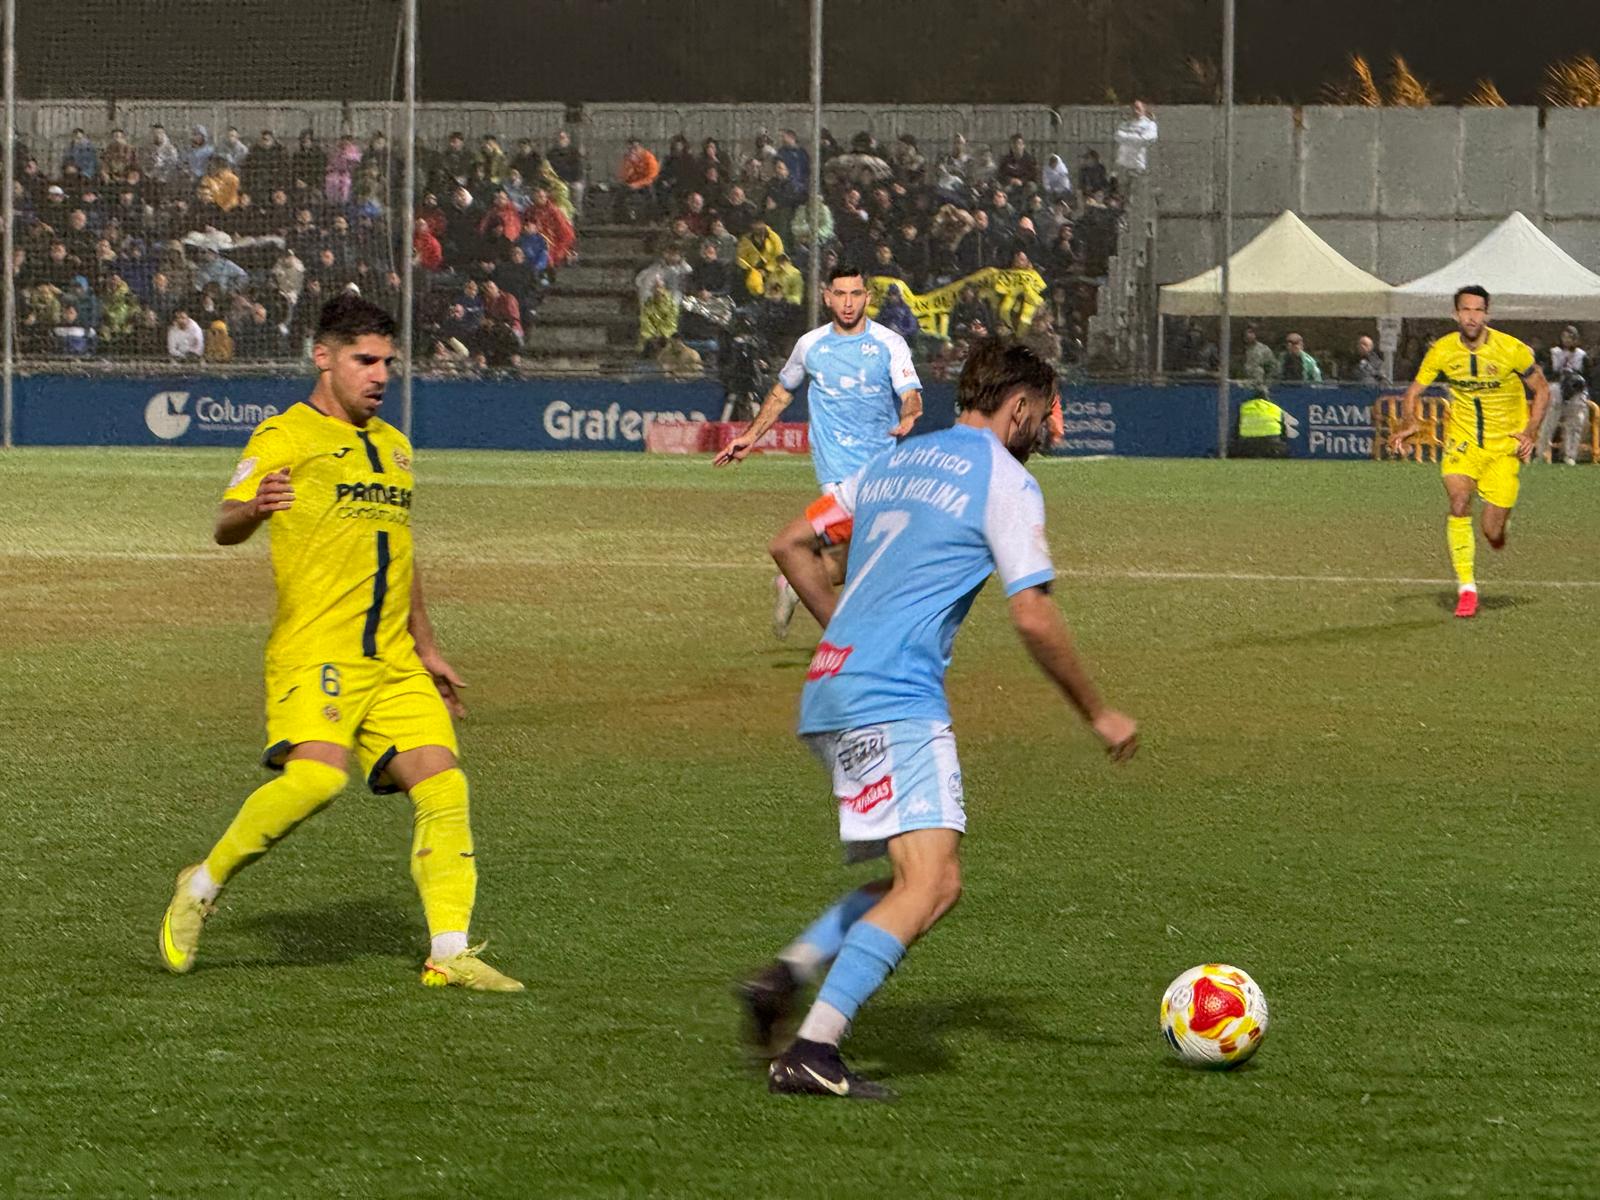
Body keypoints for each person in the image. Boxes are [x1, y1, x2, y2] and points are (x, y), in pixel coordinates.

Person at [741, 339, 1138, 1100]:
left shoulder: (892, 463)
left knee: (923, 878)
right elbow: (1033, 617)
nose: (1047, 430)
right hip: (893, 696)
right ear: (1017, 406)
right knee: (930, 882)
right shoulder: (1005, 481)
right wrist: (1098, 712)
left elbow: (789, 543)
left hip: (831, 690)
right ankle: (812, 1050)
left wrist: (845, 629)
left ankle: (786, 973)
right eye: (1044, 413)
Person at [157, 294, 522, 992]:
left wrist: (428, 645)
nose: (380, 374)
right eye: (365, 360)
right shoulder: (284, 434)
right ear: (323, 358)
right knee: (319, 779)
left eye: (388, 361)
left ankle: (449, 951)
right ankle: (201, 885)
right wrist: (254, 509)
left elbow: (401, 552)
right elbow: (225, 521)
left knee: (444, 785)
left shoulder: (395, 447)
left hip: (393, 662)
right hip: (315, 650)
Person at [713, 264, 924, 640]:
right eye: (839, 294)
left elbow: (910, 394)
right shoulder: (810, 345)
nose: (847, 302)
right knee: (871, 557)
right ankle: (860, 646)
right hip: (838, 469)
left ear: (867, 298)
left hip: (883, 465)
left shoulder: (890, 343)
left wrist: (910, 415)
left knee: (855, 558)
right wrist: (750, 436)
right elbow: (781, 393)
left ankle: (795, 583)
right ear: (827, 297)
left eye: (855, 294)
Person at [1386, 285, 1550, 619]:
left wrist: (1531, 431)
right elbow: (1414, 391)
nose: (1472, 316)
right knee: (1459, 502)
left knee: (1491, 529)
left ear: (1486, 314)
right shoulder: (1443, 350)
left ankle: (1496, 532)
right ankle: (1467, 589)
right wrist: (1410, 421)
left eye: (1478, 310)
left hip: (1505, 446)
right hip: (1463, 442)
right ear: (1455, 314)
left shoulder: (1511, 349)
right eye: (1466, 310)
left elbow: (1543, 390)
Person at [1538, 325, 1591, 465]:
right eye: (1565, 337)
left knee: (1575, 423)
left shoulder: (1581, 356)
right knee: (1549, 421)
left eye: (1571, 338)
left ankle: (1570, 455)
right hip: (1557, 388)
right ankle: (1542, 452)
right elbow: (1547, 374)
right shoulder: (1554, 353)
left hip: (1576, 392)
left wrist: (1575, 378)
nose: (1568, 340)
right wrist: (1562, 376)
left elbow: (1587, 377)